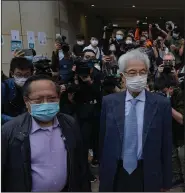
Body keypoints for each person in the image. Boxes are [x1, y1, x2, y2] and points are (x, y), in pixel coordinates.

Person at [1, 75, 90, 192]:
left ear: (59, 98)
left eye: (52, 98)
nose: (46, 104)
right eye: (38, 100)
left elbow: (80, 165)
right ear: (26, 101)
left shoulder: (70, 124)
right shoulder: (9, 131)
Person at [99, 50, 172, 192]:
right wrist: (103, 173)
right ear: (123, 76)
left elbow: (166, 145)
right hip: (116, 172)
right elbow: (102, 140)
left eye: (142, 72)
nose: (138, 76)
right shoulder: (109, 102)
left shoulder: (161, 104)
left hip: (148, 172)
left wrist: (166, 183)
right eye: (132, 72)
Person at [2, 57, 34, 125]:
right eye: (19, 75)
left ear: (31, 74)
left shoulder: (34, 86)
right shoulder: (4, 87)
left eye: (26, 75)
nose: (23, 78)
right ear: (12, 73)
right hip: (7, 125)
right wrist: (16, 120)